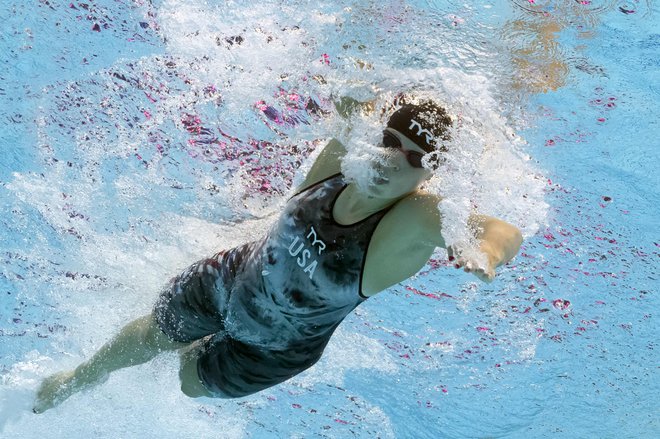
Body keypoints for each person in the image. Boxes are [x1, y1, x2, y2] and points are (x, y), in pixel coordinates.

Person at [33, 98, 523, 413]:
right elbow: (356, 92)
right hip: (229, 278)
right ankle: (79, 378)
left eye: (414, 158)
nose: (394, 159)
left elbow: (502, 229)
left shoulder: (408, 221)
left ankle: (196, 347)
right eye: (390, 141)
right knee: (154, 329)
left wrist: (481, 250)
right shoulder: (340, 161)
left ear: (428, 177)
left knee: (189, 383)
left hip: (273, 348)